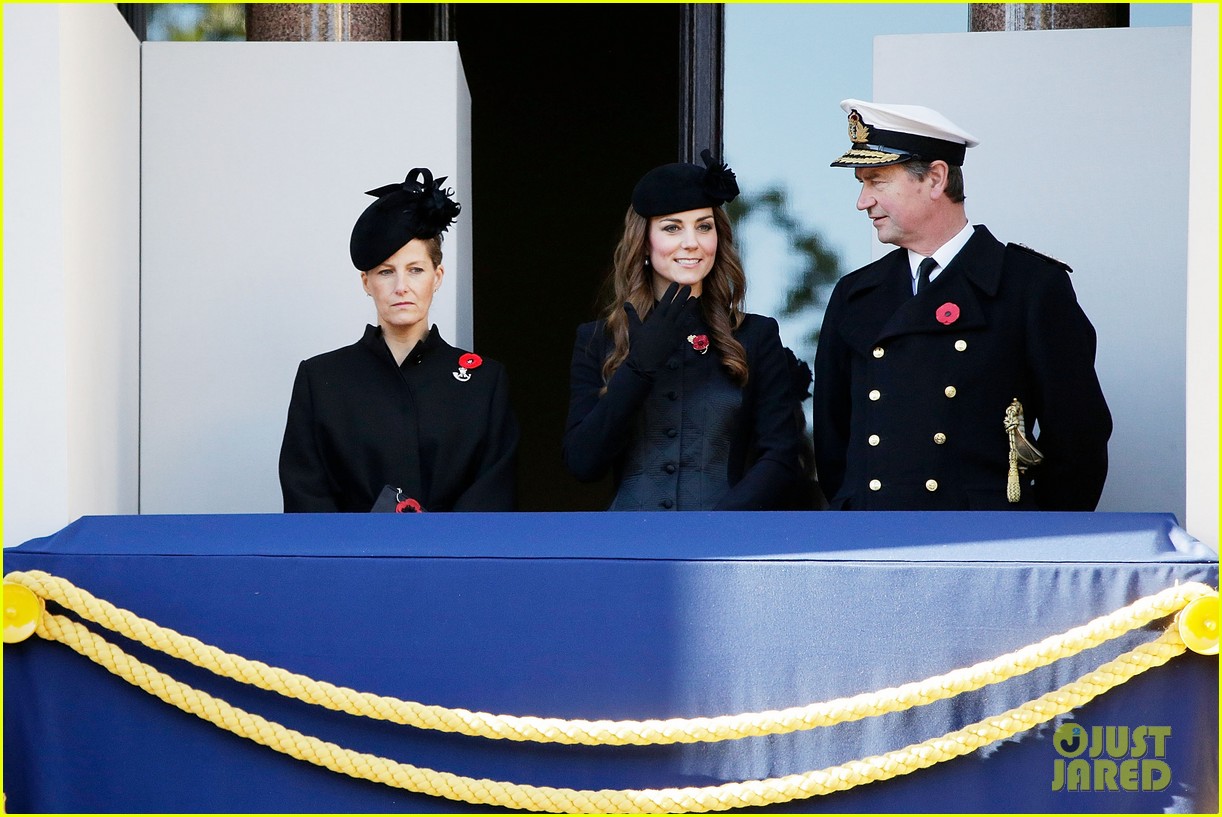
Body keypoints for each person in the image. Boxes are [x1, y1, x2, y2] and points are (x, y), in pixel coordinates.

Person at [814, 99, 1111, 511]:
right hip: (874, 540)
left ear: (935, 179)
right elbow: (833, 444)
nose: (862, 201)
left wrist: (1036, 543)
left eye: (877, 181)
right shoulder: (856, 294)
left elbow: (1078, 439)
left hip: (982, 547)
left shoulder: (1030, 287)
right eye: (861, 184)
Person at [564, 150, 810, 510]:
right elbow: (582, 463)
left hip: (722, 547)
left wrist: (716, 528)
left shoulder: (755, 335)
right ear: (645, 242)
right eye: (672, 227)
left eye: (704, 226)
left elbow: (779, 456)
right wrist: (638, 367)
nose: (691, 242)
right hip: (631, 548)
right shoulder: (598, 339)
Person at [278, 168, 518, 512]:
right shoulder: (321, 379)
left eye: (415, 270)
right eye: (386, 272)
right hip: (349, 563)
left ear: (437, 277)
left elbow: (492, 500)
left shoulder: (484, 383)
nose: (401, 286)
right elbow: (307, 498)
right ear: (366, 282)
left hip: (452, 564)